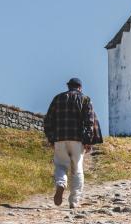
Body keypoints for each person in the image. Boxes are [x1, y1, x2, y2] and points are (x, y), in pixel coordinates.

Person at [43, 78, 102, 209]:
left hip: (59, 138)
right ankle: (74, 201)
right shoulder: (85, 99)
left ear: (69, 86)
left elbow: (48, 120)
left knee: (60, 165)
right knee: (77, 169)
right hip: (77, 140)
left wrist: (51, 138)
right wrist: (87, 141)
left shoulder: (57, 98)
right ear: (80, 87)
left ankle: (61, 184)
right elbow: (89, 121)